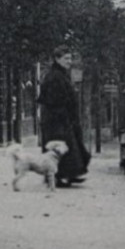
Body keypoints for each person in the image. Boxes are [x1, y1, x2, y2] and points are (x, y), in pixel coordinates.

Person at [36, 46, 90, 187]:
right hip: (56, 119)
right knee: (60, 147)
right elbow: (55, 100)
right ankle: (58, 177)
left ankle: (69, 174)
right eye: (66, 58)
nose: (69, 61)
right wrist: (65, 116)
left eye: (70, 58)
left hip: (62, 117)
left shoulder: (61, 74)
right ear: (57, 59)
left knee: (70, 146)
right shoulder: (54, 76)